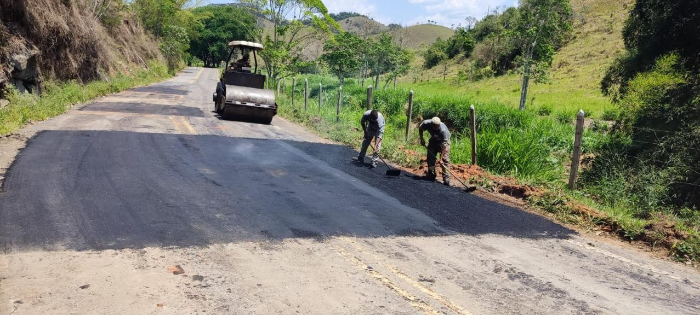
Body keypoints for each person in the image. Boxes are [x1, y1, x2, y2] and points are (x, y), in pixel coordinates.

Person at [419, 117, 451, 185]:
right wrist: (421, 139)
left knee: (445, 160)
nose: (436, 128)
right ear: (431, 124)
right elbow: (420, 128)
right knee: (430, 158)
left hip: (444, 142)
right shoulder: (426, 123)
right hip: (434, 139)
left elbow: (444, 146)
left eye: (437, 126)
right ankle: (431, 175)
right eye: (434, 126)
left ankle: (446, 179)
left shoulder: (443, 130)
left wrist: (441, 158)